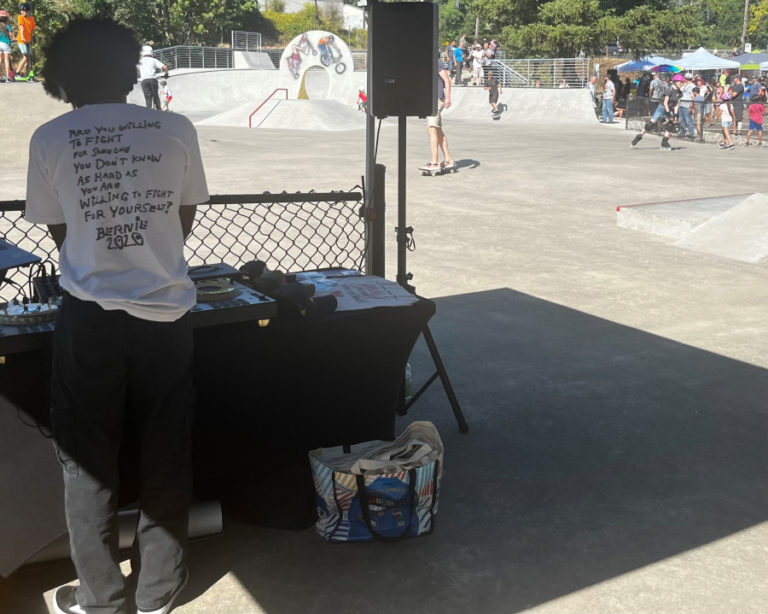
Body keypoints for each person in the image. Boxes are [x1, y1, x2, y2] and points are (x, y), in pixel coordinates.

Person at [24, 17, 209, 614]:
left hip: (89, 319)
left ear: (61, 77)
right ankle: (158, 592)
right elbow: (182, 219)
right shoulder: (174, 128)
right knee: (166, 448)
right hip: (168, 314)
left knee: (87, 460)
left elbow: (60, 230)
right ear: (132, 71)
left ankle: (101, 600)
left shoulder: (50, 138)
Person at [631, 72, 685, 151]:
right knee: (651, 123)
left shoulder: (679, 93)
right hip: (662, 107)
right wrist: (669, 113)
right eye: (680, 82)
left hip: (670, 108)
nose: (682, 84)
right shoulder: (669, 90)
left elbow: (677, 104)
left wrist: (675, 114)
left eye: (682, 82)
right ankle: (639, 136)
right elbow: (665, 103)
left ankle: (665, 141)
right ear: (675, 81)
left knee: (671, 124)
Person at [420, 55, 454, 173]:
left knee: (432, 129)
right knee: (438, 131)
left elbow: (447, 80)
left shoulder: (436, 61)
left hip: (437, 100)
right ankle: (448, 160)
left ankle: (435, 162)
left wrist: (448, 97)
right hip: (432, 100)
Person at [137, 44, 167, 110]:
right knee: (155, 95)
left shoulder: (139, 61)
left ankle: (149, 111)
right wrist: (166, 74)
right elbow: (165, 67)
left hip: (144, 81)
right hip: (153, 79)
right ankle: (159, 110)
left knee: (148, 97)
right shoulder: (154, 60)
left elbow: (136, 70)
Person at [14, 2, 35, 79]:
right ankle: (17, 72)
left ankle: (28, 74)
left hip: (28, 40)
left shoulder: (32, 19)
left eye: (23, 10)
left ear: (28, 11)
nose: (21, 12)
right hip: (21, 40)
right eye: (21, 10)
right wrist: (22, 37)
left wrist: (30, 38)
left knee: (29, 58)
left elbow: (32, 29)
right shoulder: (20, 17)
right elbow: (21, 27)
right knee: (26, 57)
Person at [677, 73, 696, 140]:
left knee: (688, 120)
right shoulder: (685, 85)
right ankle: (682, 133)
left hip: (687, 104)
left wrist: (691, 106)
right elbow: (680, 90)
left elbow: (693, 96)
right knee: (682, 120)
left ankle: (691, 134)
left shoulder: (692, 86)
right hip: (682, 103)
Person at [0, 10, 12, 82]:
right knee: (6, 60)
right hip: (6, 44)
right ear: (6, 18)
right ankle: (8, 77)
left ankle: (0, 77)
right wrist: (15, 39)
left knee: (0, 60)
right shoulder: (8, 26)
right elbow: (11, 37)